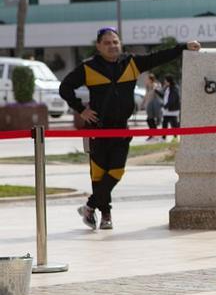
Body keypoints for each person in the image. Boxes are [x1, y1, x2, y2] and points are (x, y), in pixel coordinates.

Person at [60, 27, 200, 230]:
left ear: (120, 44)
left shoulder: (132, 63)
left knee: (116, 172)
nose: (112, 46)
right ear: (98, 46)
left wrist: (183, 47)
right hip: (98, 129)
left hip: (121, 129)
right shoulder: (88, 67)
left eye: (115, 42)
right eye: (107, 43)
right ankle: (105, 215)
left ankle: (89, 207)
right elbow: (65, 87)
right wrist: (81, 109)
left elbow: (158, 57)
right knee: (98, 175)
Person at [144, 73, 164, 142]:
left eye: (148, 79)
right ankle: (153, 134)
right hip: (149, 104)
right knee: (150, 120)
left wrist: (153, 88)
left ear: (150, 79)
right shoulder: (148, 87)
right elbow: (146, 95)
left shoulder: (155, 86)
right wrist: (144, 103)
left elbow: (157, 94)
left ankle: (153, 135)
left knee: (150, 120)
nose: (146, 80)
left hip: (154, 104)